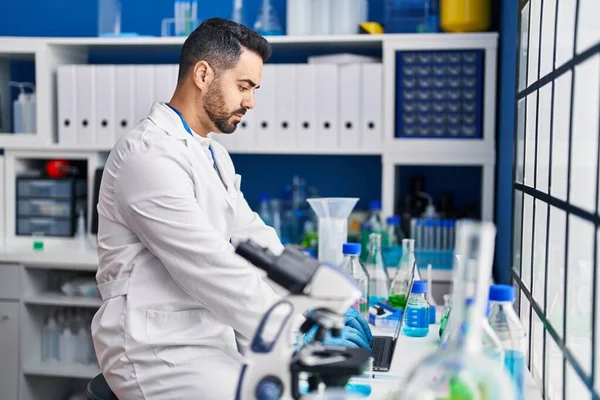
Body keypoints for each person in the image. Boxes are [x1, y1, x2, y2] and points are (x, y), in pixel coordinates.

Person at [91, 17, 372, 400]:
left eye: (254, 89)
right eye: (244, 86)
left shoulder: (213, 154)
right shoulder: (147, 155)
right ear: (203, 74)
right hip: (156, 350)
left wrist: (320, 300)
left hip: (208, 336)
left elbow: (257, 241)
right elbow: (208, 266)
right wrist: (299, 324)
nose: (250, 102)